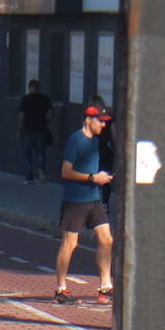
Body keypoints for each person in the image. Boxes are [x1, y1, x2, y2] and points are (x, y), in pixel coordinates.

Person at [54, 104, 115, 304]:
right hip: (75, 201)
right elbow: (65, 171)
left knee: (106, 239)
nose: (103, 126)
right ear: (88, 120)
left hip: (94, 199)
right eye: (100, 121)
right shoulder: (75, 140)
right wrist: (91, 178)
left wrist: (101, 178)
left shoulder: (96, 142)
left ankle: (105, 287)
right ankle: (61, 289)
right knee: (70, 243)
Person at [18, 79, 53, 183]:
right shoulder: (44, 99)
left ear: (29, 88)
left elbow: (21, 115)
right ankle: (41, 171)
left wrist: (20, 129)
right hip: (41, 129)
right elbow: (50, 113)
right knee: (41, 152)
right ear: (38, 88)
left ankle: (29, 176)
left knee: (28, 153)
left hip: (28, 129)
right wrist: (46, 122)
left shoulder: (25, 99)